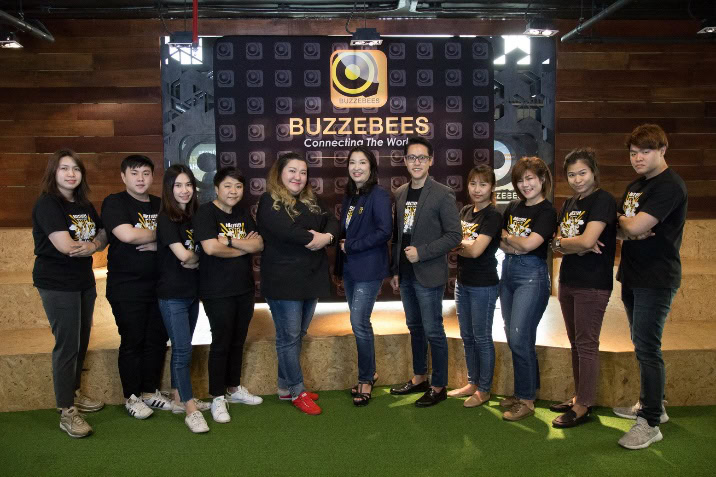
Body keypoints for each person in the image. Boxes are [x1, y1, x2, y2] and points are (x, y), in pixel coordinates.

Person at [612, 124, 687, 450]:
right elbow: (621, 228)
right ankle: (653, 404)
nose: (638, 158)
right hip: (632, 275)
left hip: (656, 279)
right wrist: (628, 227)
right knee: (641, 344)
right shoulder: (636, 186)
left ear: (662, 150)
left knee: (647, 348)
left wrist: (630, 226)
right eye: (633, 152)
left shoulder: (669, 185)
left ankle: (651, 422)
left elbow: (634, 225)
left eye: (645, 151)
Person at [32, 149, 108, 438]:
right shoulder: (48, 204)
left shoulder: (83, 204)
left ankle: (73, 393)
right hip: (56, 282)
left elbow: (103, 233)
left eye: (75, 169)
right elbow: (66, 246)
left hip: (83, 280)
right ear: (54, 172)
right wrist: (92, 245)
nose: (71, 174)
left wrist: (93, 245)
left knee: (81, 340)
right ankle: (66, 410)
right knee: (67, 345)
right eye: (64, 168)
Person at [257, 152, 339, 416]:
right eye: (292, 171)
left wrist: (326, 237)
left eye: (303, 172)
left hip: (311, 278)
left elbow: (333, 221)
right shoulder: (269, 201)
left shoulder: (311, 200)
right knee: (288, 337)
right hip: (283, 281)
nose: (298, 177)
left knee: (297, 335)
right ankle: (297, 390)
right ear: (280, 173)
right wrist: (315, 238)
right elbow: (287, 231)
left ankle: (284, 386)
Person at [389, 137, 462, 407]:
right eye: (412, 157)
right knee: (414, 327)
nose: (416, 162)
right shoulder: (400, 193)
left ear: (431, 160)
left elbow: (454, 234)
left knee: (433, 330)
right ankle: (419, 377)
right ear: (405, 161)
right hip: (406, 274)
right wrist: (396, 269)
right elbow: (398, 236)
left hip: (428, 273)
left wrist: (423, 252)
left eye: (422, 157)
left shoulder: (442, 193)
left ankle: (439, 385)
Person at [550, 149, 617, 428]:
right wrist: (572, 245)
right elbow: (556, 241)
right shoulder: (569, 202)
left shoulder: (603, 200)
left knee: (587, 344)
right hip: (568, 279)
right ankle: (579, 395)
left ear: (594, 172)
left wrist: (572, 244)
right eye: (571, 175)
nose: (577, 179)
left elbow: (588, 241)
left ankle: (584, 405)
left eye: (582, 173)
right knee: (575, 342)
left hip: (593, 282)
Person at [101, 155, 171, 419]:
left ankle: (150, 391)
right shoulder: (115, 202)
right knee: (133, 340)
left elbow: (180, 235)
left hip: (160, 285)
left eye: (145, 173)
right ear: (123, 176)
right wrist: (163, 237)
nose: (140, 178)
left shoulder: (160, 204)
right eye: (134, 173)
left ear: (152, 176)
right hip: (127, 287)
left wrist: (158, 242)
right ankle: (131, 396)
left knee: (157, 340)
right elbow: (127, 235)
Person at [193, 167, 264, 424]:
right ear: (216, 188)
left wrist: (231, 242)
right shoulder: (205, 213)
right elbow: (211, 248)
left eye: (238, 186)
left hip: (243, 288)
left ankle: (234, 388)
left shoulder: (243, 213)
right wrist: (243, 247)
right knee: (221, 341)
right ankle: (217, 396)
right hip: (217, 290)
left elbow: (258, 244)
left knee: (238, 339)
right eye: (227, 186)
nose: (233, 191)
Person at [499, 156, 557, 421]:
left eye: (530, 178)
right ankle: (526, 391)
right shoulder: (513, 206)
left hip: (532, 277)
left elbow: (530, 245)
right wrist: (514, 243)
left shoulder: (547, 211)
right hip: (508, 272)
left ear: (542, 179)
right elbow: (501, 241)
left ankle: (526, 400)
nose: (525, 185)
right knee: (515, 336)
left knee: (519, 336)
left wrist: (511, 239)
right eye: (520, 180)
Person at [335, 146, 392, 406]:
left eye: (362, 163)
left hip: (369, 268)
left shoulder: (378, 195)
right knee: (359, 322)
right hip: (350, 268)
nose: (356, 167)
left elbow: (384, 231)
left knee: (359, 321)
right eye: (352, 163)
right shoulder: (350, 195)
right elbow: (346, 232)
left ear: (371, 168)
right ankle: (371, 373)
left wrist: (352, 246)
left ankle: (366, 378)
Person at [156, 165, 211, 433]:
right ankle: (190, 409)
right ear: (169, 189)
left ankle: (179, 398)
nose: (184, 190)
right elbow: (184, 255)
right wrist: (198, 258)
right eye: (178, 185)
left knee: (184, 347)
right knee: (182, 351)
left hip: (192, 293)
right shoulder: (166, 219)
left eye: (188, 184)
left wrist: (196, 259)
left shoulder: (195, 217)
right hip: (172, 295)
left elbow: (196, 255)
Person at [448, 165, 502, 408]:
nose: (477, 189)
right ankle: (473, 382)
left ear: (492, 187)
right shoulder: (466, 211)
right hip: (463, 282)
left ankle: (485, 390)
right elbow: (456, 242)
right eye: (473, 184)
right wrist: (463, 245)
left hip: (484, 285)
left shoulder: (493, 215)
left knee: (482, 337)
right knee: (467, 336)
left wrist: (459, 246)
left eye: (483, 184)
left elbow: (477, 250)